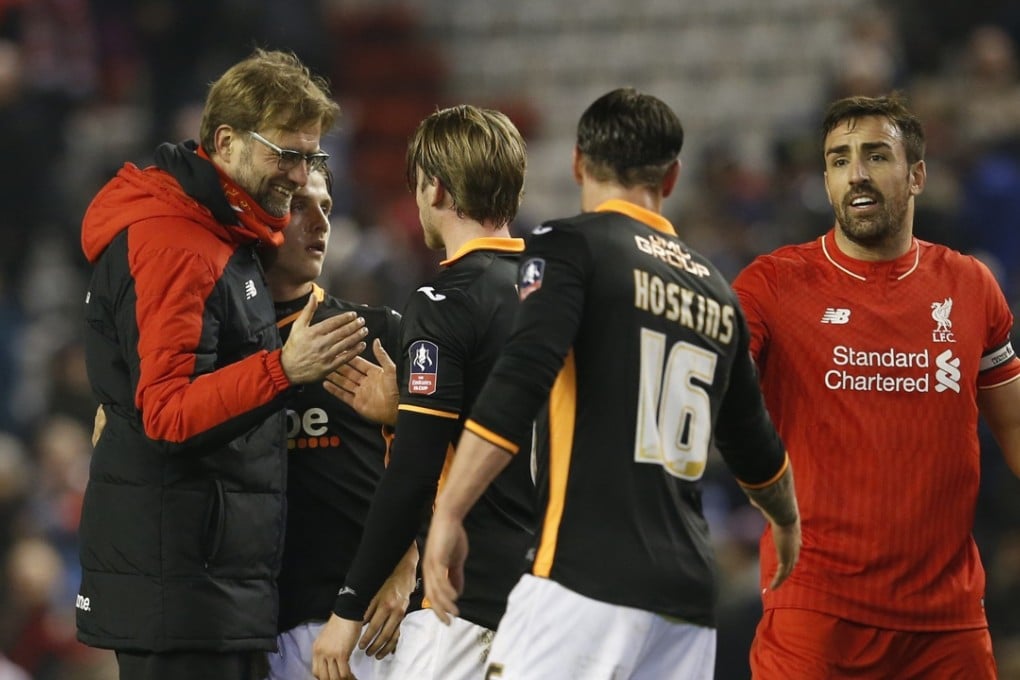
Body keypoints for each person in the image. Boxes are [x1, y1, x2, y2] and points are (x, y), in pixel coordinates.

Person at [423, 87, 801, 680]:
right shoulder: (716, 290)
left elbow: (522, 375)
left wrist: (449, 511)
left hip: (583, 576)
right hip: (685, 601)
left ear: (578, 162)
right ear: (671, 177)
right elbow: (754, 443)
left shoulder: (570, 246)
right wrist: (787, 521)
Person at [78, 49, 368, 680]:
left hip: (207, 586)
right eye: (284, 154)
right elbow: (167, 414)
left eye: (311, 156)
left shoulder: (219, 232)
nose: (298, 175)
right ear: (227, 141)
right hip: (181, 589)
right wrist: (283, 372)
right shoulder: (175, 242)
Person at [732, 92, 1020, 678]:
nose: (856, 175)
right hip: (815, 616)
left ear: (916, 175)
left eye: (875, 156)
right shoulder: (772, 284)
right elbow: (716, 371)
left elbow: (1013, 423)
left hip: (948, 625)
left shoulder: (971, 286)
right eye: (839, 160)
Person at [310, 104, 535, 680]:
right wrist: (406, 408)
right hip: (559, 593)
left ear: (435, 188)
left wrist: (347, 606)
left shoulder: (445, 303)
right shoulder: (561, 292)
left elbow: (411, 475)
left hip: (471, 599)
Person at [261, 168, 418, 680]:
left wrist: (406, 560)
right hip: (258, 626)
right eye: (300, 205)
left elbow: (445, 457)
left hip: (371, 627)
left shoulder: (377, 332)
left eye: (326, 206)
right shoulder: (224, 351)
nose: (320, 221)